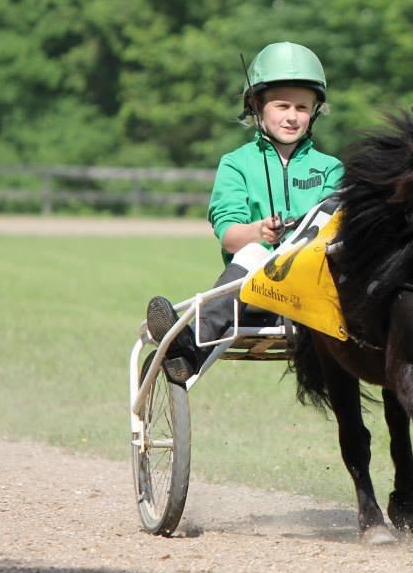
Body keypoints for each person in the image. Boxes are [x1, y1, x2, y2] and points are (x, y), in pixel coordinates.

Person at [146, 41, 343, 384]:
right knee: (253, 251)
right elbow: (229, 235)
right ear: (257, 107)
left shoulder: (331, 169)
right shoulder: (236, 165)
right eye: (282, 105)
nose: (292, 116)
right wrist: (259, 232)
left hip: (315, 293)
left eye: (302, 107)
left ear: (315, 111)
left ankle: (188, 345)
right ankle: (187, 350)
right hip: (256, 293)